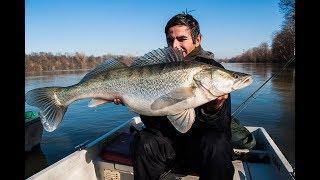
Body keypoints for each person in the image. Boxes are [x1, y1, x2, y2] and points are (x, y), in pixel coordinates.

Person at [115, 13, 235, 180]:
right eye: (170, 40)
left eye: (181, 39)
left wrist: (213, 109)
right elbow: (152, 123)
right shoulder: (157, 68)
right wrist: (130, 99)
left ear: (198, 39)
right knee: (144, 141)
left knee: (217, 142)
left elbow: (221, 127)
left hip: (200, 151)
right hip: (169, 148)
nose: (175, 46)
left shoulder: (215, 71)